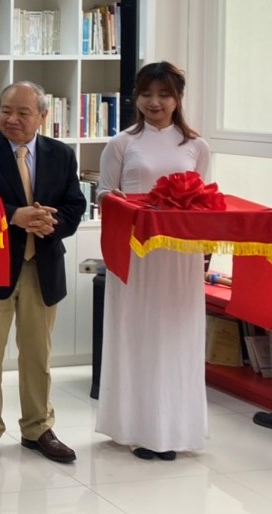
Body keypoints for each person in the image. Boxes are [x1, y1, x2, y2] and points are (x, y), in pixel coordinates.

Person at [0, 81, 86, 464]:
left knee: (37, 354)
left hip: (41, 265)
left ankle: (38, 428)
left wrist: (51, 224)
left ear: (43, 116)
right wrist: (15, 215)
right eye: (6, 110)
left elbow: (74, 205)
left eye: (23, 113)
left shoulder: (61, 154)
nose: (11, 119)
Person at [96, 61, 212, 460]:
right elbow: (104, 196)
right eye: (146, 94)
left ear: (178, 98)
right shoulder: (122, 143)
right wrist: (139, 209)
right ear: (136, 98)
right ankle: (137, 426)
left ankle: (175, 428)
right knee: (138, 336)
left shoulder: (195, 146)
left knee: (175, 337)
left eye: (164, 95)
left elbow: (203, 203)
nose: (154, 102)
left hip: (179, 257)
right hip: (135, 253)